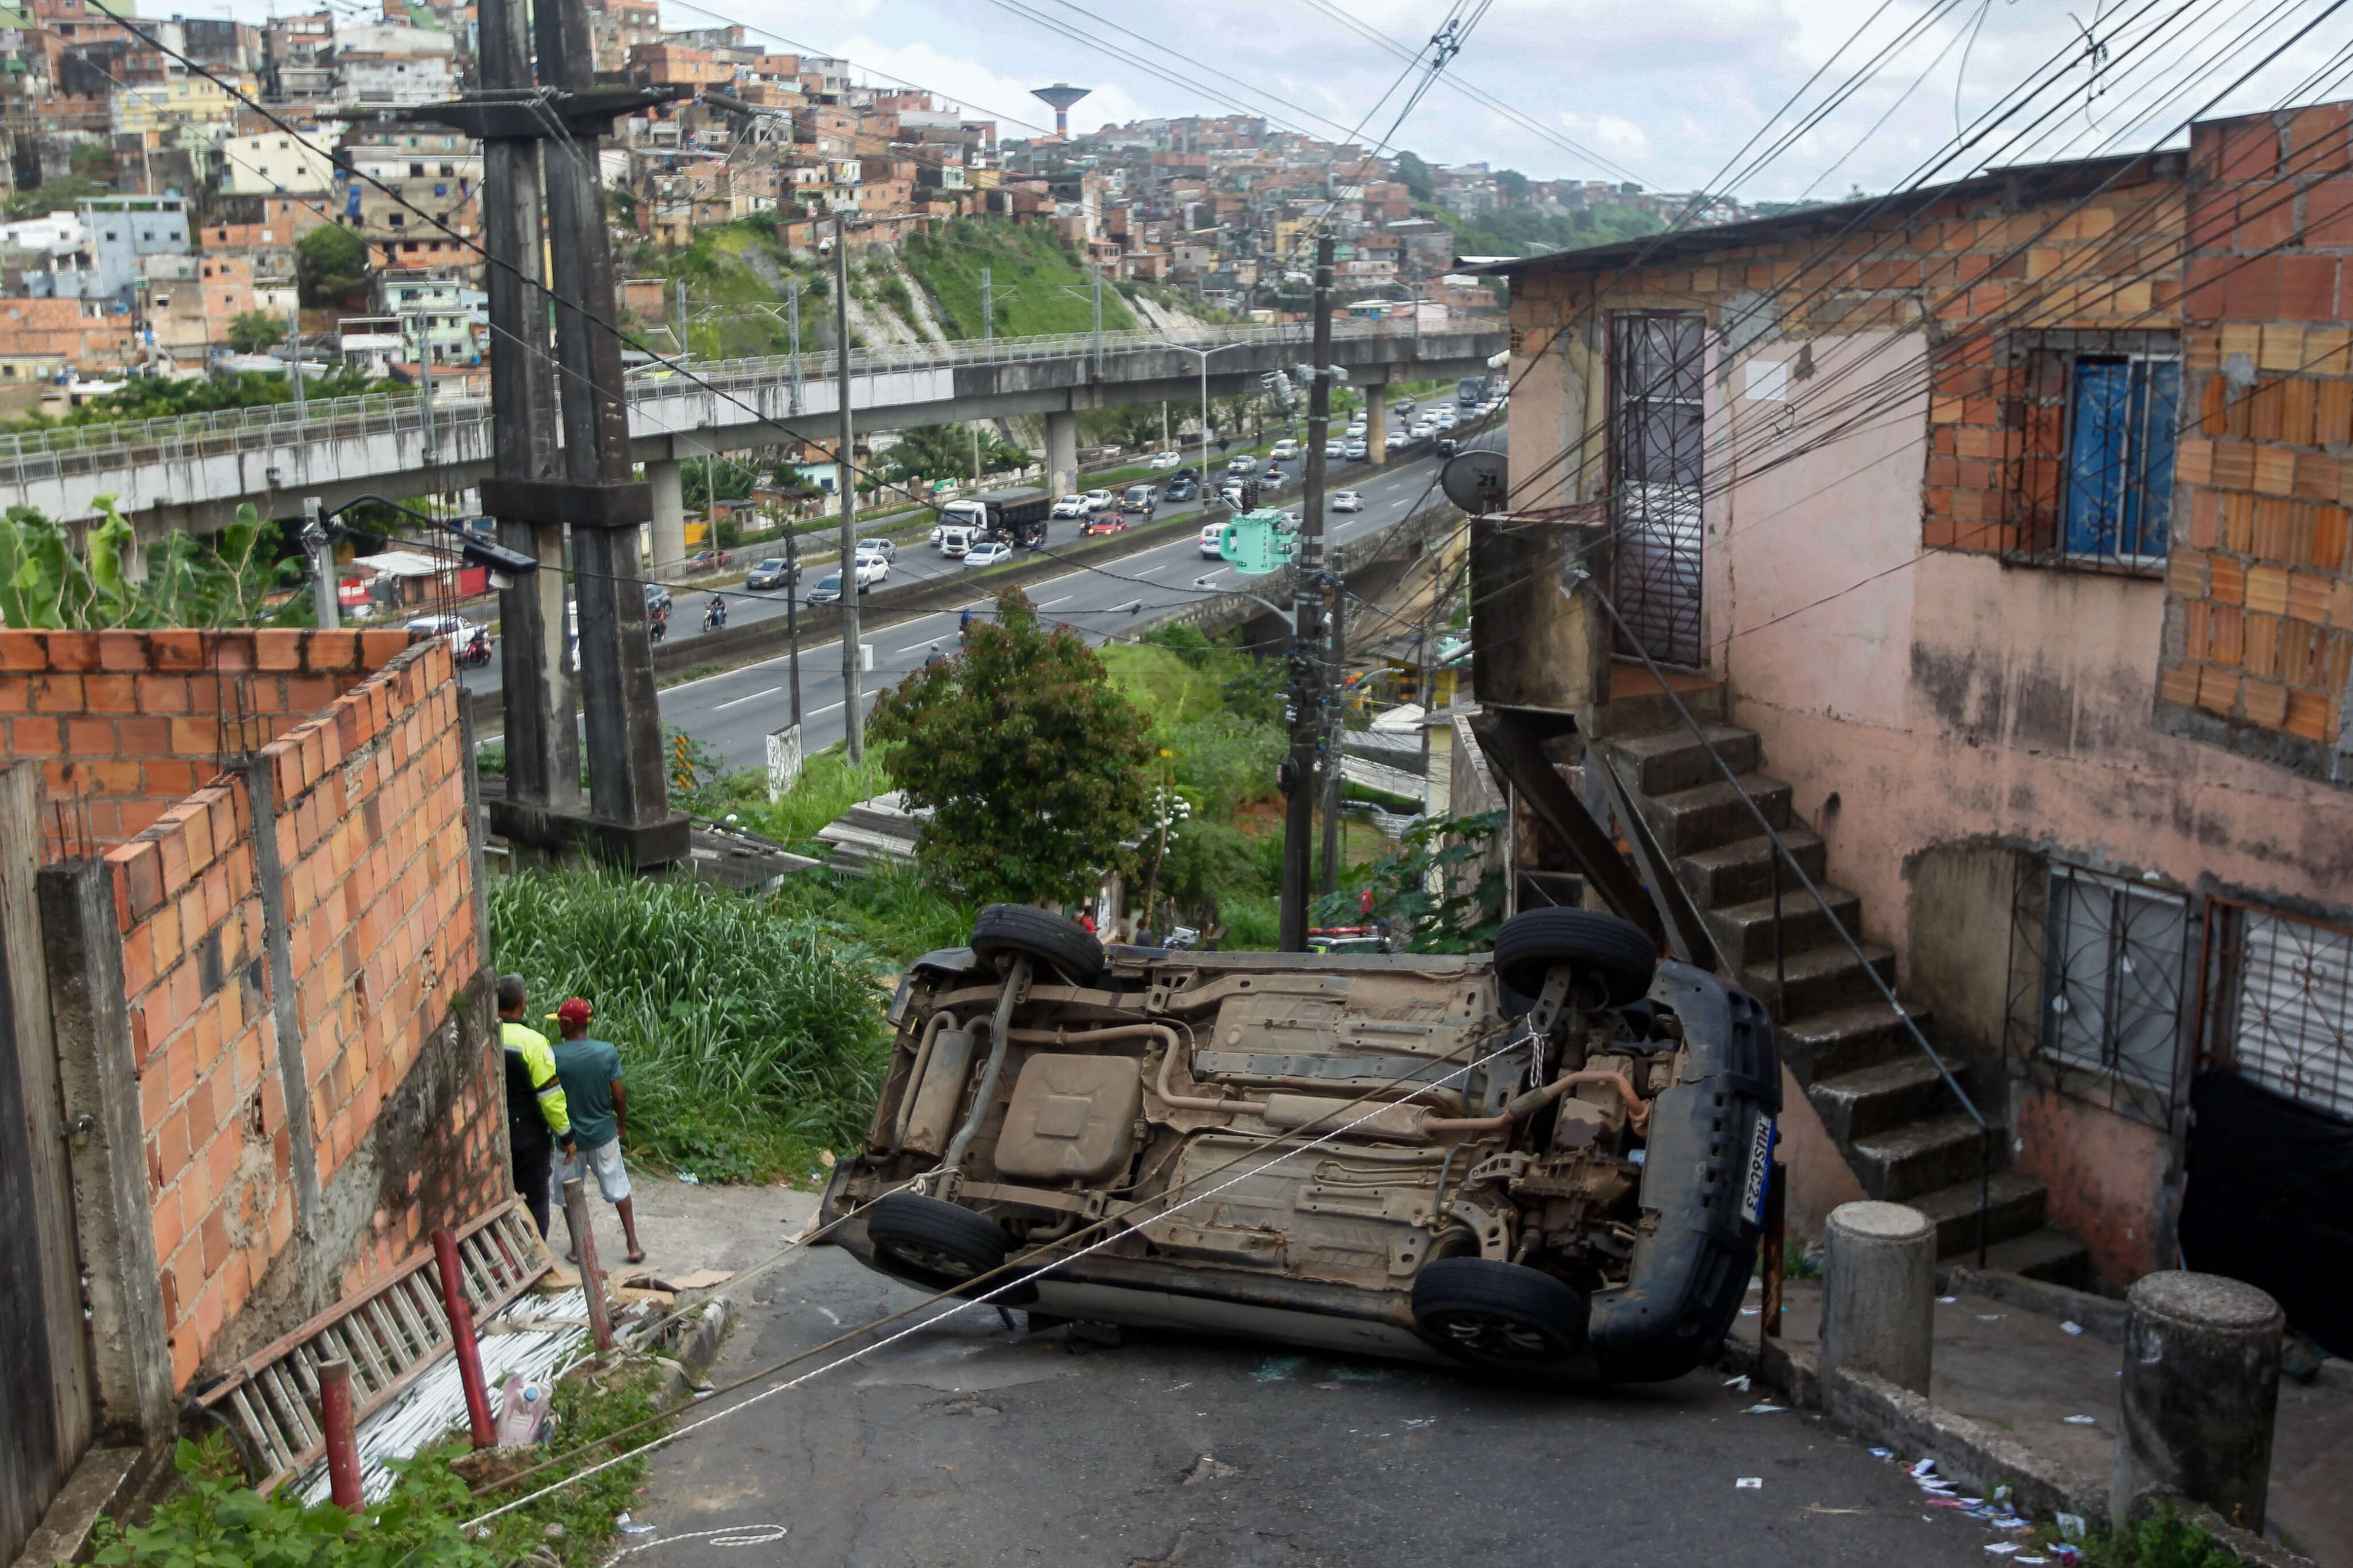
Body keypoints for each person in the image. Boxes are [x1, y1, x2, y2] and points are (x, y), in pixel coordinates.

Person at [549, 998, 644, 1265]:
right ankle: (633, 1245)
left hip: (568, 1139)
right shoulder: (607, 1052)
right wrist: (621, 1123)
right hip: (603, 1133)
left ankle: (579, 1249)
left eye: (560, 1023)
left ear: (568, 1024)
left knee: (570, 1192)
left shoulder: (554, 1055)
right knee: (618, 1187)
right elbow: (619, 1094)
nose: (559, 1028)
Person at [497, 975, 573, 1238]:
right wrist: (566, 1135)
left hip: (494, 1131)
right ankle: (535, 1257)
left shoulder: (484, 1034)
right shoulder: (533, 1042)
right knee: (535, 1198)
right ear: (523, 1002)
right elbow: (550, 1097)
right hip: (528, 1135)